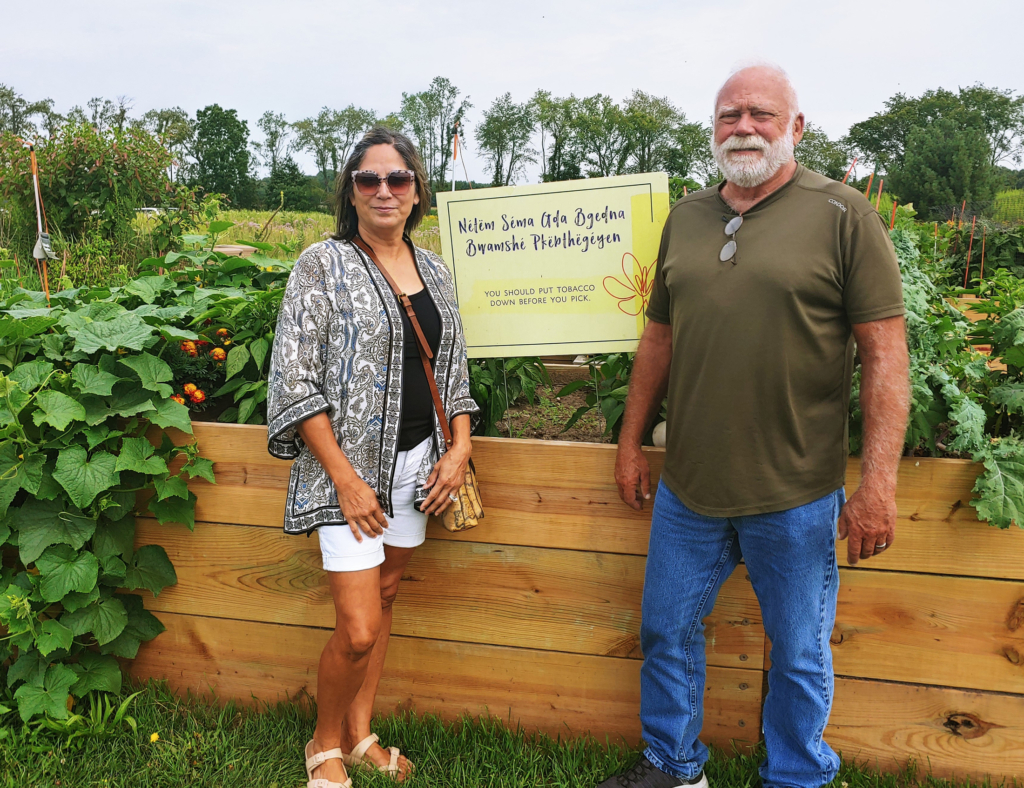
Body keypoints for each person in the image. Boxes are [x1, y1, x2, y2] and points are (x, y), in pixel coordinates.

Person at [599, 65, 910, 788]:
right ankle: (674, 766)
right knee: (665, 631)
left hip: (795, 492)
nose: (743, 127)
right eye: (728, 114)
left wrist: (878, 484)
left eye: (761, 114)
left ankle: (797, 774)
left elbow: (886, 354)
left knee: (798, 650)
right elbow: (659, 340)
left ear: (796, 127)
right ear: (713, 130)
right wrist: (630, 440)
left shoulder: (842, 216)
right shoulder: (688, 215)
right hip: (690, 487)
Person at [267, 127, 479, 788]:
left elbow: (455, 374)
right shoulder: (321, 264)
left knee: (386, 594)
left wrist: (461, 448)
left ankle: (361, 734)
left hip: (422, 465)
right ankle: (323, 744)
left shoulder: (435, 269)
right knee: (358, 627)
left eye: (398, 179)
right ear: (350, 192)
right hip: (349, 473)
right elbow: (294, 382)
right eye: (370, 180)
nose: (385, 190)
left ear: (417, 192)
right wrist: (345, 481)